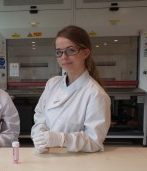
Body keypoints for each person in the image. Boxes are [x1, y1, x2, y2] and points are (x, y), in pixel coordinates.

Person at [31, 25, 111, 153]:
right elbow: (40, 116)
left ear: (86, 53)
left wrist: (63, 139)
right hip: (49, 157)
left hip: (78, 163)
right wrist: (39, 135)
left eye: (71, 50)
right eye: (59, 52)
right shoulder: (52, 84)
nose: (63, 57)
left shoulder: (95, 94)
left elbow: (95, 141)